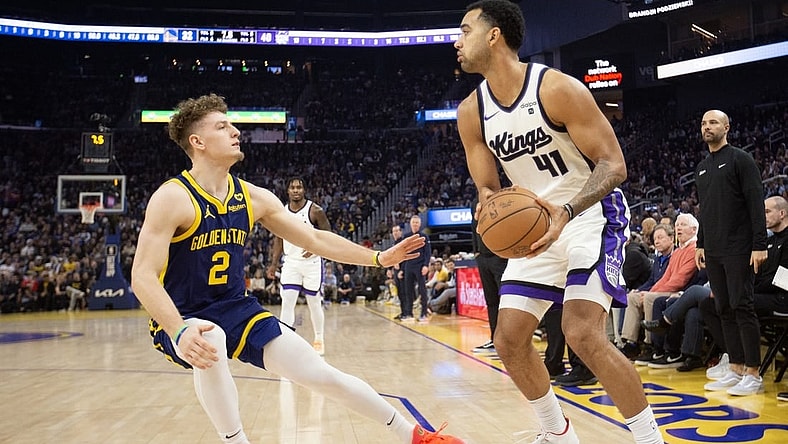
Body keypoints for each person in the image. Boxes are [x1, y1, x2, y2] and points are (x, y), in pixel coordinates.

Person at [131, 94, 463, 444]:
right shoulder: (172, 197)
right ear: (197, 142)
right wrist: (178, 329)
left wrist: (379, 258)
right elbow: (142, 276)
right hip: (182, 315)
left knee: (319, 373)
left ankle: (415, 436)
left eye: (231, 124)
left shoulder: (252, 197)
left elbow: (315, 239)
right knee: (208, 335)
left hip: (236, 308)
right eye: (222, 126)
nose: (235, 131)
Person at [454, 2, 662, 443]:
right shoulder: (471, 112)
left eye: (465, 30)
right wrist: (488, 203)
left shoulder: (557, 89)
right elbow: (487, 186)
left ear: (494, 36)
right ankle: (558, 434)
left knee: (581, 332)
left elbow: (613, 165)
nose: (457, 41)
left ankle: (649, 439)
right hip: (534, 226)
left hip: (588, 216)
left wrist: (565, 212)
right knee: (509, 341)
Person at [694, 109, 767, 397]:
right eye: (703, 123)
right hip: (713, 248)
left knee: (742, 306)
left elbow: (755, 202)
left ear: (727, 126)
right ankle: (735, 366)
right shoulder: (701, 167)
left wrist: (759, 244)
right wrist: (700, 242)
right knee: (723, 307)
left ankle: (753, 371)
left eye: (713, 122)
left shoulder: (741, 159)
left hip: (739, 247)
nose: (707, 127)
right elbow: (705, 209)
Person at [267, 177, 331, 355]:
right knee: (287, 302)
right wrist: (273, 264)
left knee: (314, 303)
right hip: (291, 263)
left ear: (304, 190)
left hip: (312, 263)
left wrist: (316, 248)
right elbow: (278, 239)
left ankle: (319, 339)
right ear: (288, 190)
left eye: (299, 187)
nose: (296, 190)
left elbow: (328, 234)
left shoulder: (315, 210)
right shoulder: (282, 212)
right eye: (292, 187)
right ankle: (285, 341)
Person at [470, 196, 508, 355]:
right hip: (483, 257)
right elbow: (473, 228)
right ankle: (495, 338)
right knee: (491, 301)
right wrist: (476, 252)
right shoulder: (474, 202)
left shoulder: (503, 198)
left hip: (499, 257)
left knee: (505, 301)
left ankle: (509, 339)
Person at [400, 214, 431, 323]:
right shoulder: (406, 236)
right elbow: (403, 254)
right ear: (410, 224)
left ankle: (424, 313)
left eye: (417, 223)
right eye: (413, 222)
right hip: (408, 266)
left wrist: (426, 265)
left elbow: (428, 253)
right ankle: (409, 313)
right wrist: (401, 269)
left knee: (422, 290)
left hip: (420, 266)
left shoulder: (424, 237)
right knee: (408, 290)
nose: (415, 224)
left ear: (420, 224)